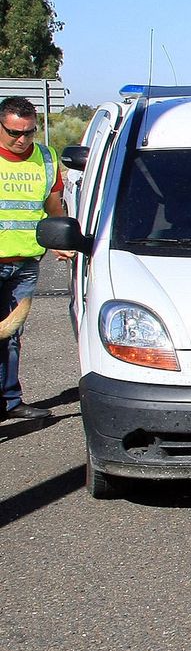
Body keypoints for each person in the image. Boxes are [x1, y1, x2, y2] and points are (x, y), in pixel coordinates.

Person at [0, 96, 66, 422]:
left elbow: (54, 209)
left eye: (28, 131)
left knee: (11, 336)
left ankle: (10, 401)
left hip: (25, 262)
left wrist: (61, 239)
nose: (21, 139)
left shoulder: (46, 159)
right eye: (13, 132)